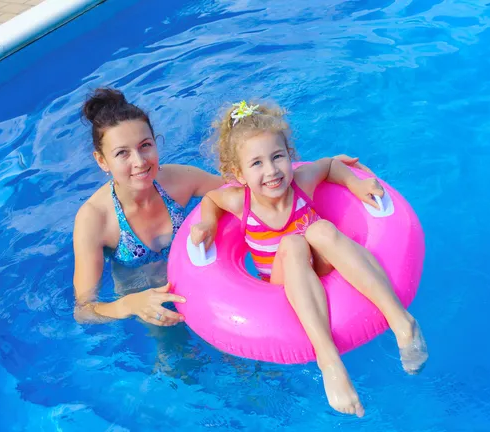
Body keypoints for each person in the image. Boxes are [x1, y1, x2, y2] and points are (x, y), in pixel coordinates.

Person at [190, 100, 429, 417]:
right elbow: (210, 199)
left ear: (290, 155)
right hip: (282, 282)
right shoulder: (238, 201)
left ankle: (402, 321)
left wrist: (355, 184)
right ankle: (329, 359)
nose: (272, 170)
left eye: (277, 157)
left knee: (320, 231)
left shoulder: (302, 183)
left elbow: (330, 165)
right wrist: (207, 223)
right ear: (239, 174)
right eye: (257, 163)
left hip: (319, 262)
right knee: (292, 245)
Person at [72, 89, 370, 329]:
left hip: (203, 288)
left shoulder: (179, 180)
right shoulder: (94, 219)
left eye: (145, 145)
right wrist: (130, 305)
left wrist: (325, 169)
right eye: (122, 153)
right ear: (102, 161)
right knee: (175, 369)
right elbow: (84, 310)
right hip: (149, 303)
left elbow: (252, 182)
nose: (139, 161)